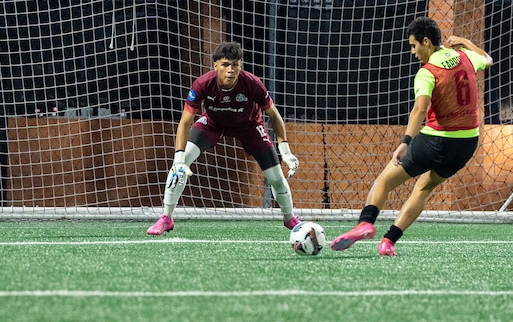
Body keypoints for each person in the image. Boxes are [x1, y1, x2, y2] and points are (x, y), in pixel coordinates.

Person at [330, 16, 493, 256]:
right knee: (424, 188)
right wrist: (466, 41)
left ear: (426, 42)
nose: (413, 52)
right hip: (467, 144)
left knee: (384, 181)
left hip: (437, 141)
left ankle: (365, 224)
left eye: (414, 45)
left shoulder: (427, 72)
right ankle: (388, 242)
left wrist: (405, 142)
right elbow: (488, 59)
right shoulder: (465, 57)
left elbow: (420, 109)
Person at [147, 41, 300, 235]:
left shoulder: (252, 83)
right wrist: (178, 159)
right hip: (213, 122)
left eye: (235, 65)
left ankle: (290, 219)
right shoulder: (202, 84)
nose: (231, 70)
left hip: (250, 126)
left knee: (276, 177)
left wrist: (285, 150)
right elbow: (185, 122)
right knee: (181, 163)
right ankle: (166, 218)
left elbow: (274, 115)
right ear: (215, 66)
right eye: (226, 64)